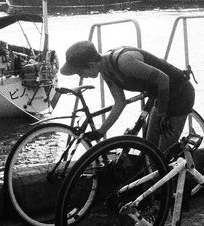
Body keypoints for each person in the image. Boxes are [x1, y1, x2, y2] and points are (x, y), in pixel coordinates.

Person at [59, 40, 195, 153]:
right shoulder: (106, 71)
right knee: (150, 150)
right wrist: (101, 132)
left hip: (180, 93)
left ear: (91, 65)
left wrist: (162, 114)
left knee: (164, 153)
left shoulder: (125, 62)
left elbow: (163, 79)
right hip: (161, 97)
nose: (81, 77)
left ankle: (183, 178)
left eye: (79, 72)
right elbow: (120, 102)